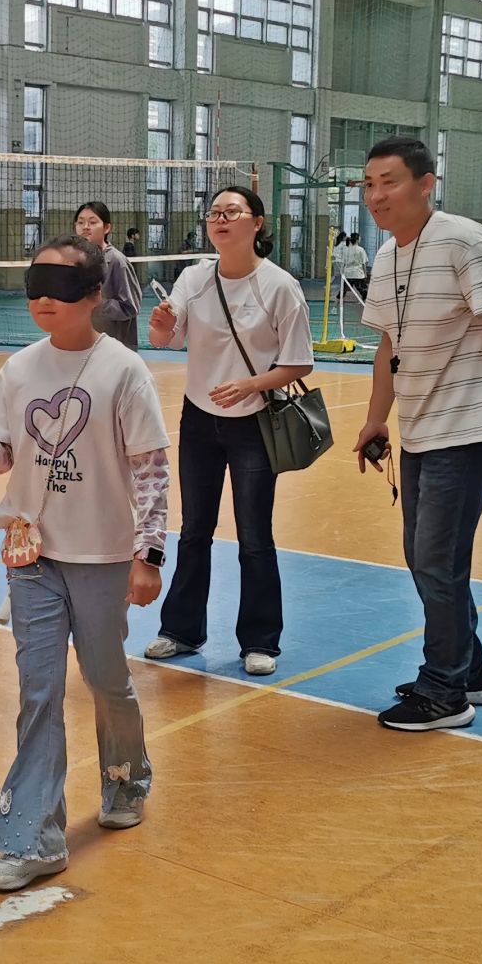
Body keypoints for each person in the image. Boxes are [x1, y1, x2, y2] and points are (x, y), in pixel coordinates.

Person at [0, 235, 169, 892]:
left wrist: (148, 555)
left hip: (102, 555)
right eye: (36, 283)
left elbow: (151, 470)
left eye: (62, 284)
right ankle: (33, 837)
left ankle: (126, 777)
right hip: (32, 554)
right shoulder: (20, 370)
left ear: (95, 294)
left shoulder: (124, 371)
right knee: (39, 691)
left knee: (105, 679)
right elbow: (4, 461)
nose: (44, 297)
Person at [353, 136, 482, 732]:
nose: (376, 196)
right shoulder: (387, 256)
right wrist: (376, 417)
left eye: (389, 182)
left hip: (467, 430)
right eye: (369, 185)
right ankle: (470, 673)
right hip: (419, 430)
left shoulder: (464, 241)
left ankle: (444, 692)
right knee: (427, 560)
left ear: (425, 184)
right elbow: (389, 344)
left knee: (435, 561)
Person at [142, 185, 313, 676]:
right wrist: (160, 324)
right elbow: (164, 339)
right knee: (194, 530)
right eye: (214, 212)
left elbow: (299, 362)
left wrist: (250, 385)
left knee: (255, 535)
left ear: (256, 223)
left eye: (231, 212)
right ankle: (180, 630)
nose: (220, 219)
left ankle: (260, 641)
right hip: (199, 419)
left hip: (255, 422)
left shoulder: (279, 286)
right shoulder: (194, 278)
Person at [73, 201, 143, 350]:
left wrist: (95, 303)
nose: (85, 227)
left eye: (92, 222)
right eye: (80, 222)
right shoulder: (76, 260)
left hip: (114, 348)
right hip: (83, 345)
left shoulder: (117, 261)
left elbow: (130, 307)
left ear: (106, 228)